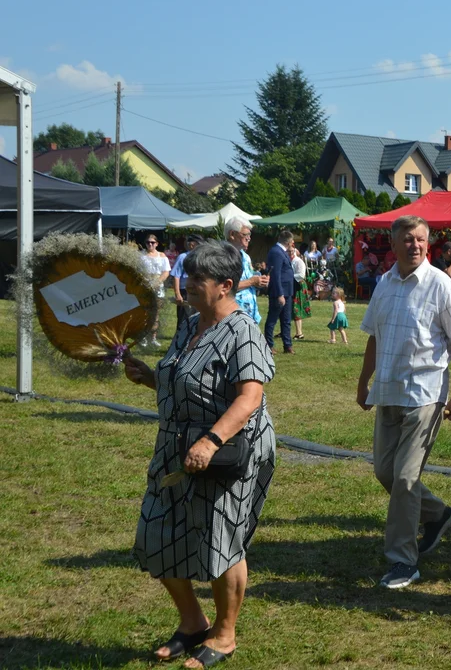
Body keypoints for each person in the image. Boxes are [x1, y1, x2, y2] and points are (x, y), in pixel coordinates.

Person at [121, 241, 276, 669]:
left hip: (227, 449)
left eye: (197, 279)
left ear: (225, 286)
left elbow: (248, 399)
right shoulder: (189, 324)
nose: (187, 285)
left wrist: (210, 441)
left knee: (220, 539)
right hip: (175, 445)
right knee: (157, 534)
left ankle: (225, 635)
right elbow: (190, 382)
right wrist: (152, 379)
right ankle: (193, 623)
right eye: (187, 276)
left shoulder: (243, 330)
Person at [356, 215, 451, 590]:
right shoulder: (384, 284)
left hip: (424, 393)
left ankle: (403, 562)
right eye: (408, 239)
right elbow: (374, 337)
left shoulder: (441, 285)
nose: (415, 245)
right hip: (389, 389)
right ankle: (437, 514)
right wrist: (364, 382)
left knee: (405, 479)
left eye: (421, 239)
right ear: (394, 243)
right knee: (384, 474)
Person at [226, 217, 269, 325]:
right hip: (232, 317)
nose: (249, 238)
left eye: (250, 235)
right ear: (232, 234)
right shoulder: (223, 256)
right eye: (245, 235)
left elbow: (249, 280)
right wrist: (251, 282)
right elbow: (223, 287)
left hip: (249, 314)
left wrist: (259, 281)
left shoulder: (245, 257)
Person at [264, 230, 295, 355]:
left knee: (286, 320)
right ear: (289, 242)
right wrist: (279, 294)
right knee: (273, 319)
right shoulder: (276, 252)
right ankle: (268, 345)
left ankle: (287, 345)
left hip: (287, 291)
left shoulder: (282, 252)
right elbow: (276, 274)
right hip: (280, 292)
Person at [140, 234, 172, 347]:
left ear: (157, 244)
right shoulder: (141, 255)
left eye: (152, 242)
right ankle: (143, 337)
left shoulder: (162, 256)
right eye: (148, 242)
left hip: (158, 286)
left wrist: (157, 282)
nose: (150, 244)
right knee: (144, 313)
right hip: (144, 285)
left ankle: (153, 337)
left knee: (156, 313)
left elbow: (166, 272)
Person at [170, 235, 203, 333]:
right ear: (192, 245)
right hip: (185, 291)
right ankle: (179, 344)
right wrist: (178, 294)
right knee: (183, 319)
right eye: (199, 245)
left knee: (196, 318)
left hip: (198, 291)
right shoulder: (183, 257)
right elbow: (176, 276)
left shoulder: (201, 258)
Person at [290, 246, 312, 340]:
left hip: (298, 285)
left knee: (297, 308)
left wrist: (289, 276)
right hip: (292, 284)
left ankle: (299, 333)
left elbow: (301, 275)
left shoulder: (298, 261)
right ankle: (284, 330)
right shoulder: (291, 261)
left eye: (290, 251)